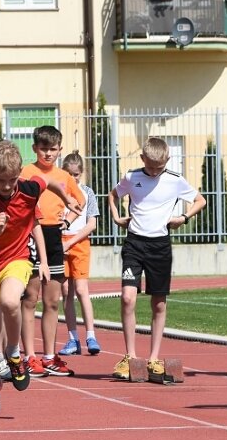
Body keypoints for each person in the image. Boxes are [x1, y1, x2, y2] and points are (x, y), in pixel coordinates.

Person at [0, 140, 81, 415]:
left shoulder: (28, 186)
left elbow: (47, 182)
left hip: (16, 259)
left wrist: (67, 199)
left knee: (10, 301)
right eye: (0, 180)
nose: (7, 186)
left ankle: (15, 354)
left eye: (12, 180)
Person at [108, 137, 206, 381]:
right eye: (150, 167)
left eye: (159, 167)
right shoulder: (132, 178)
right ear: (142, 159)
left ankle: (153, 357)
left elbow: (200, 200)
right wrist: (117, 217)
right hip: (134, 244)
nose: (154, 172)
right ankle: (130, 356)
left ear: (167, 161)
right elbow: (113, 195)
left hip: (160, 245)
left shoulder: (175, 180)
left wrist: (183, 217)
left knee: (159, 303)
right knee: (127, 298)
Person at [20, 126, 85, 377]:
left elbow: (79, 202)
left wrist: (66, 220)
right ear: (35, 148)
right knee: (30, 298)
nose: (48, 154)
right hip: (30, 235)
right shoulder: (26, 172)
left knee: (52, 301)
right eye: (44, 148)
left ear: (60, 149)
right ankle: (29, 356)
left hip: (54, 237)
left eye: (53, 149)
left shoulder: (64, 176)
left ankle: (49, 356)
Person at [58, 151, 102, 356]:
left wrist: (72, 242)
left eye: (76, 174)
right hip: (60, 243)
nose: (72, 178)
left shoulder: (87, 193)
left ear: (81, 174)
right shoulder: (57, 192)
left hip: (79, 243)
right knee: (66, 292)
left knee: (82, 290)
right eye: (68, 173)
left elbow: (91, 224)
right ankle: (72, 338)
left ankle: (91, 335)